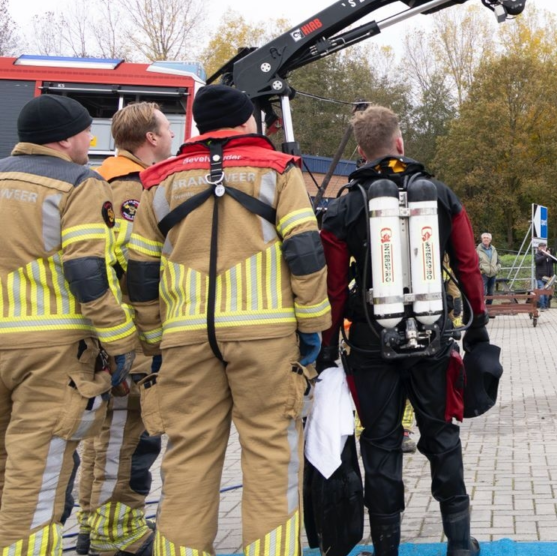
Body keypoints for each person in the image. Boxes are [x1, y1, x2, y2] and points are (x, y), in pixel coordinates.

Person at [126, 85, 331, 556]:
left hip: (184, 339)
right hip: (266, 338)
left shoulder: (159, 181)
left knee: (187, 455)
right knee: (271, 453)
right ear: (244, 122)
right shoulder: (278, 170)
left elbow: (141, 270)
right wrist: (312, 325)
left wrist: (154, 337)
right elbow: (305, 251)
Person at [319, 105, 490, 556]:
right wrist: (478, 325)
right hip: (433, 339)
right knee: (442, 437)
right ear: (400, 143)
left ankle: (386, 548)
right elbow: (468, 265)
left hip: (371, 343)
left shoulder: (345, 205)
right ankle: (459, 544)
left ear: (360, 153)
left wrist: (327, 347)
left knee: (380, 443)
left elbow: (332, 287)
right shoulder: (440, 195)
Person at [0, 95, 137, 556]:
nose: (90, 143)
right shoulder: (79, 184)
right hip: (50, 355)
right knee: (34, 477)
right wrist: (120, 340)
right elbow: (86, 270)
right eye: (86, 135)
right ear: (63, 139)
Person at [76, 103, 175, 556]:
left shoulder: (99, 180)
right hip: (133, 334)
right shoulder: (133, 187)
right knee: (130, 436)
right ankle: (118, 533)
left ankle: (93, 523)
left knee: (105, 436)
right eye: (167, 128)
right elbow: (133, 263)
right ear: (150, 138)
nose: (171, 135)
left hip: (108, 334)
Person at [534, 243, 556, 310]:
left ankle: (546, 306)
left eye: (544, 247)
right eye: (541, 247)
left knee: (547, 292)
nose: (543, 248)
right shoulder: (537, 255)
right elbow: (537, 261)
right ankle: (542, 306)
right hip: (540, 277)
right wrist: (545, 256)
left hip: (548, 278)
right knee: (542, 291)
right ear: (538, 248)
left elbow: (556, 260)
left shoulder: (549, 256)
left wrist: (551, 255)